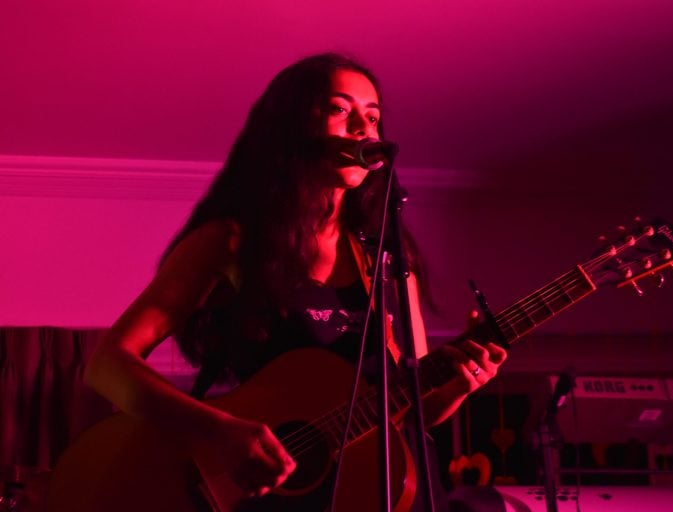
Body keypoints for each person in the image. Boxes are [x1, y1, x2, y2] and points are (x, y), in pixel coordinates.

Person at [83, 52, 507, 509]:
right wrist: (218, 431)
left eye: (373, 116)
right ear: (291, 127)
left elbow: (413, 404)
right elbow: (108, 364)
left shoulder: (384, 256)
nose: (363, 129)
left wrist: (461, 383)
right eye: (340, 109)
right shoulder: (231, 240)